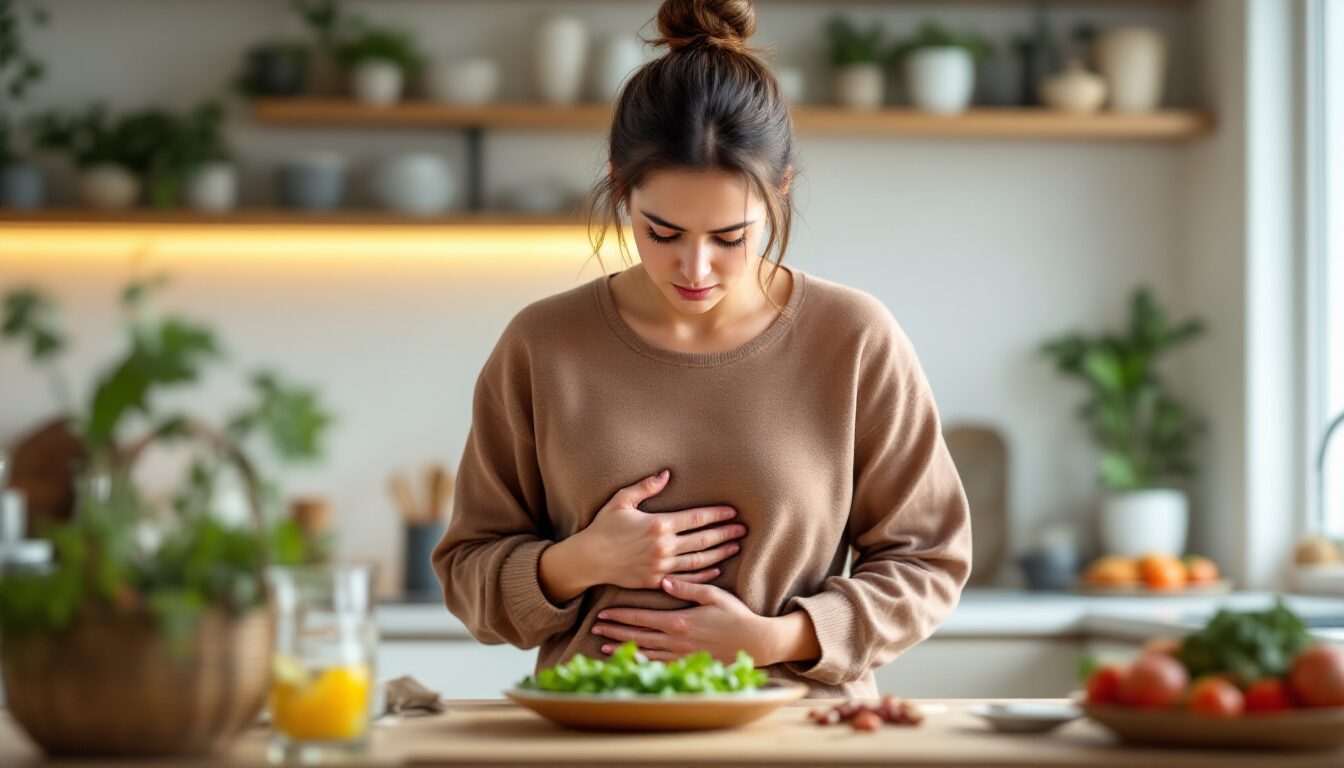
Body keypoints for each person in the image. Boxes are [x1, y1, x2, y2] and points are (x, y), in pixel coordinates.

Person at [433, 0, 972, 699]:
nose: (695, 269)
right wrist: (576, 561)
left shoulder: (854, 339)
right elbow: (467, 571)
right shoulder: (543, 345)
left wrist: (778, 639)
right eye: (662, 233)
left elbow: (929, 560)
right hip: (597, 742)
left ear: (779, 192)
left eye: (729, 237)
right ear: (619, 185)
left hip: (800, 740)